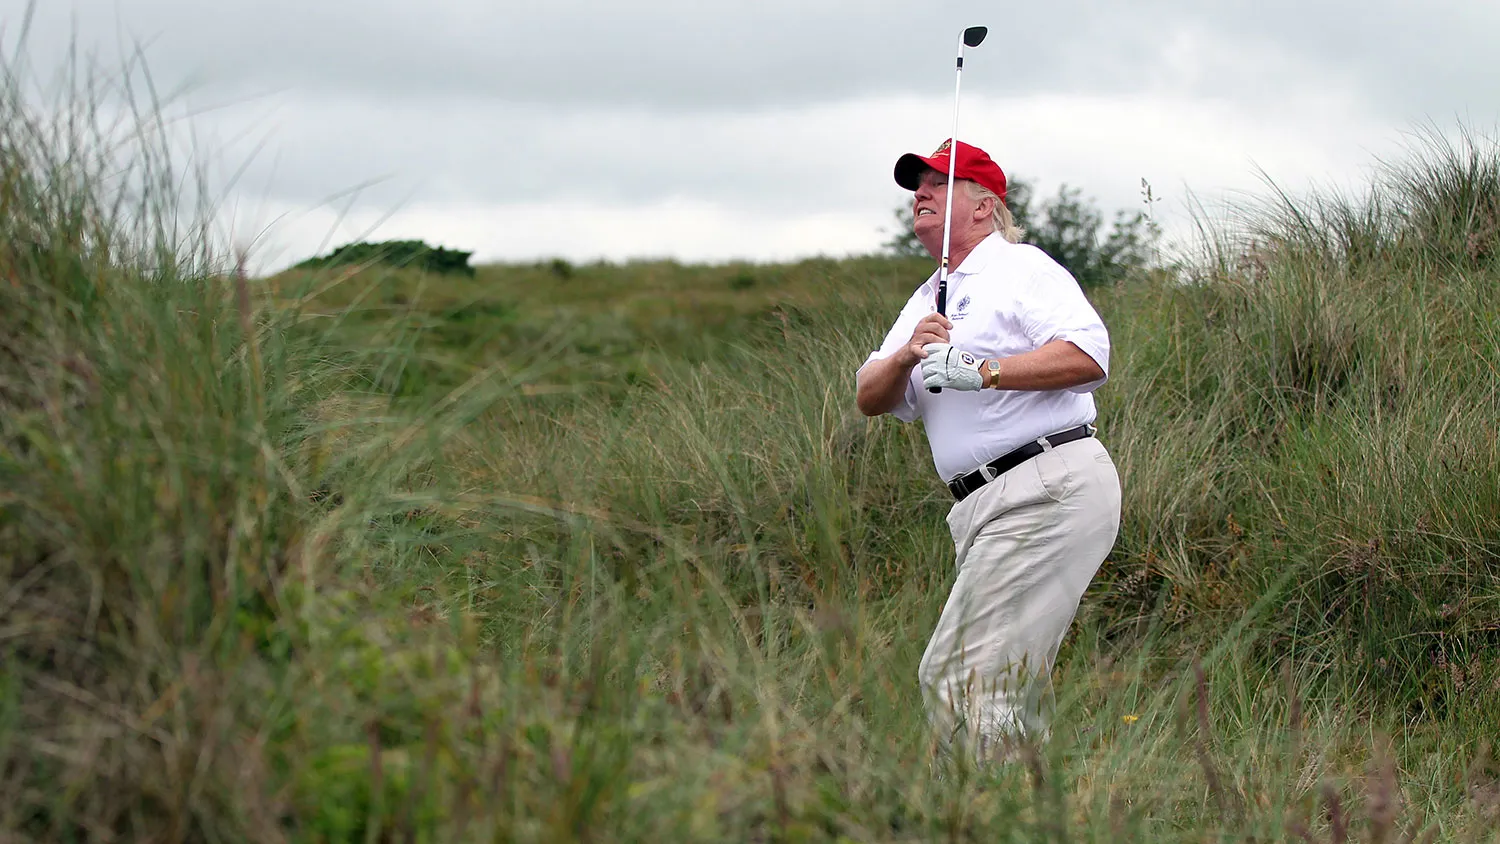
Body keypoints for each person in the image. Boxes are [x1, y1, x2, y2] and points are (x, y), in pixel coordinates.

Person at [855, 139, 1122, 763]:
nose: (921, 193)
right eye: (917, 186)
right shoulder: (929, 296)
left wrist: (985, 370)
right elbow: (869, 394)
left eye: (939, 183)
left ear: (983, 206)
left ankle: (978, 810)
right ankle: (1037, 803)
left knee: (958, 677)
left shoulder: (1020, 268)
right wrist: (906, 355)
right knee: (1004, 688)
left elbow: (1089, 356)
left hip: (1045, 485)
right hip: (988, 505)